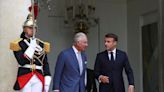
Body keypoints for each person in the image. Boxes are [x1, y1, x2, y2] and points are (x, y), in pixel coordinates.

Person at [10, 13, 51, 92]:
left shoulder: (41, 44)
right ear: (24, 29)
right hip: (25, 76)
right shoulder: (18, 44)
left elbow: (45, 63)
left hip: (38, 76)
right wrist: (31, 47)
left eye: (34, 28)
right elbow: (21, 61)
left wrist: (47, 79)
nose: (33, 30)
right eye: (30, 28)